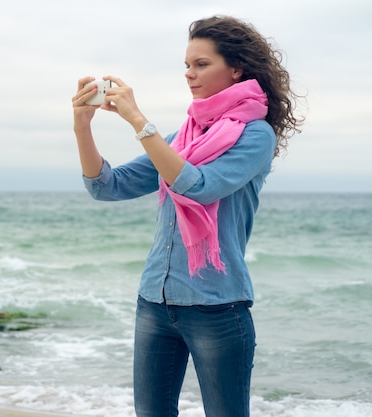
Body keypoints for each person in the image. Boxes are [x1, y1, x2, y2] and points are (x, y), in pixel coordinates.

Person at [71, 15, 304, 417]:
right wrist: (82, 126)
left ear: (236, 68)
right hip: (155, 301)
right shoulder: (187, 134)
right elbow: (107, 186)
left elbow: (197, 186)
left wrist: (138, 120)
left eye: (201, 64)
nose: (189, 75)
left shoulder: (256, 135)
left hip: (217, 307)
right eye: (186, 65)